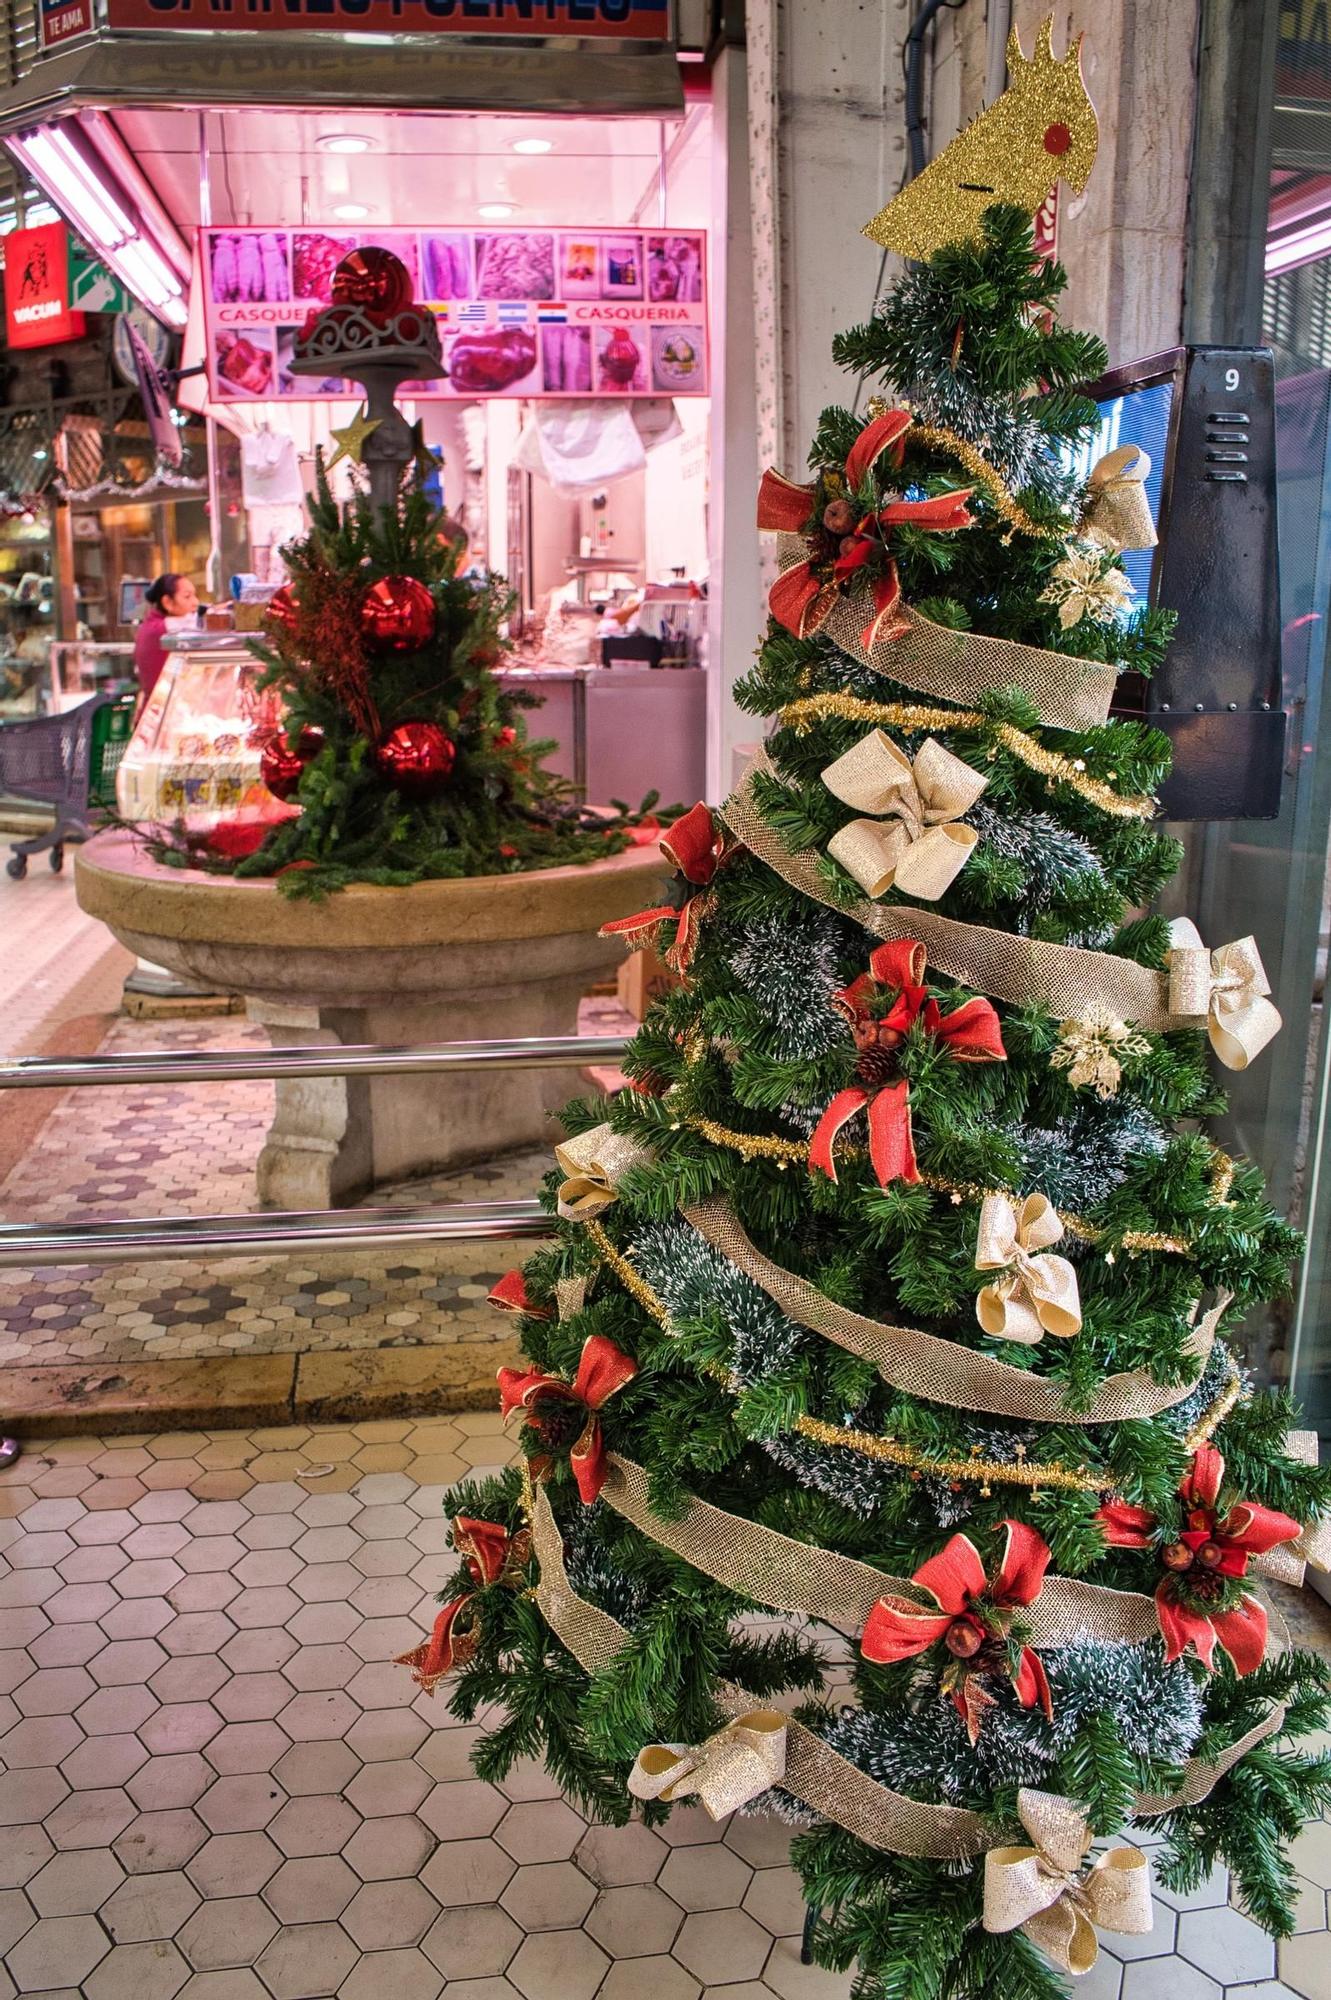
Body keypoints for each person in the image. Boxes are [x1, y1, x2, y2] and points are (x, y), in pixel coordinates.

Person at [134, 573, 199, 703]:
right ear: (167, 602)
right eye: (187, 597)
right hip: (161, 708)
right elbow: (192, 624)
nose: (195, 602)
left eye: (194, 595)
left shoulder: (152, 624)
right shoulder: (161, 629)